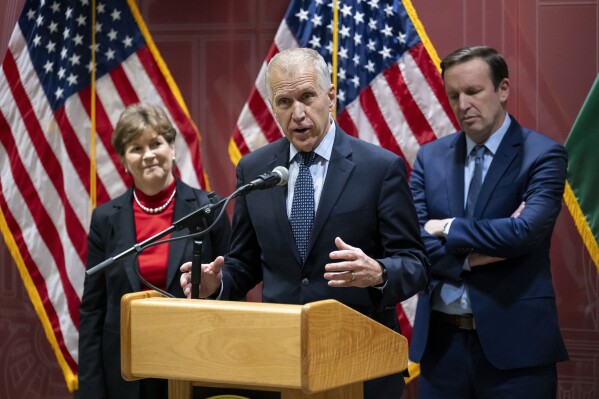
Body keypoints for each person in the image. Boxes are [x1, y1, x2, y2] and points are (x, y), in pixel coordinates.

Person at [180, 47, 429, 398]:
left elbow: (415, 263)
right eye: (284, 102)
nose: (297, 114)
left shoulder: (380, 168)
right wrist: (216, 285)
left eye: (307, 97)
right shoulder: (255, 170)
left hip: (358, 360)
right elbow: (245, 262)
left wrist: (379, 272)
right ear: (272, 108)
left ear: (329, 97)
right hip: (281, 363)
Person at [408, 46, 569, 398]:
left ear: (503, 89)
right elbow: (413, 241)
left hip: (517, 351)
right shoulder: (430, 157)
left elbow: (524, 233)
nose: (463, 104)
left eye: (474, 91)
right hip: (441, 348)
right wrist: (471, 256)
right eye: (454, 95)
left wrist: (447, 227)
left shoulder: (543, 155)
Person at [78, 103, 231, 399]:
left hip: (193, 364)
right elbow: (93, 310)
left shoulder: (208, 208)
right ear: (124, 161)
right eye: (135, 148)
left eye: (156, 143)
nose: (148, 155)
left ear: (172, 149)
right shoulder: (105, 219)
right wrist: (91, 391)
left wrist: (215, 287)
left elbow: (235, 290)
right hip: (126, 373)